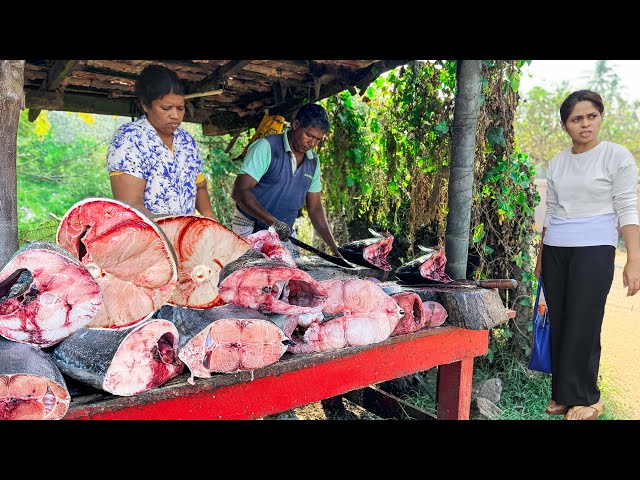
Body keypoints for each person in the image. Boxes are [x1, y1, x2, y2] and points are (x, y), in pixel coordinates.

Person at [533, 90, 640, 420]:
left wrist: (634, 259)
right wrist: (540, 254)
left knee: (585, 321)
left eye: (591, 116)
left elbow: (627, 206)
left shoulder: (615, 155)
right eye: (576, 119)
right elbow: (549, 210)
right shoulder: (558, 161)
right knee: (562, 320)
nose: (585, 124)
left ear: (600, 117)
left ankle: (589, 398)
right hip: (556, 249)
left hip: (595, 247)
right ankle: (564, 395)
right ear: (565, 125)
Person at [106, 64, 217, 220]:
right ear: (145, 104)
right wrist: (175, 228)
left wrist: (211, 221)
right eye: (166, 108)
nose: (175, 116)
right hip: (150, 239)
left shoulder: (187, 141)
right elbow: (131, 207)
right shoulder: (130, 139)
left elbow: (200, 187)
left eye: (180, 108)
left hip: (186, 236)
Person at [231, 102, 341, 258]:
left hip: (283, 231)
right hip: (249, 225)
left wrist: (333, 246)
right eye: (309, 135)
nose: (312, 143)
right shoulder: (266, 147)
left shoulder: (313, 161)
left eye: (318, 139)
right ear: (296, 124)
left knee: (287, 277)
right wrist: (272, 222)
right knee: (250, 277)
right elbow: (240, 191)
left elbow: (315, 208)